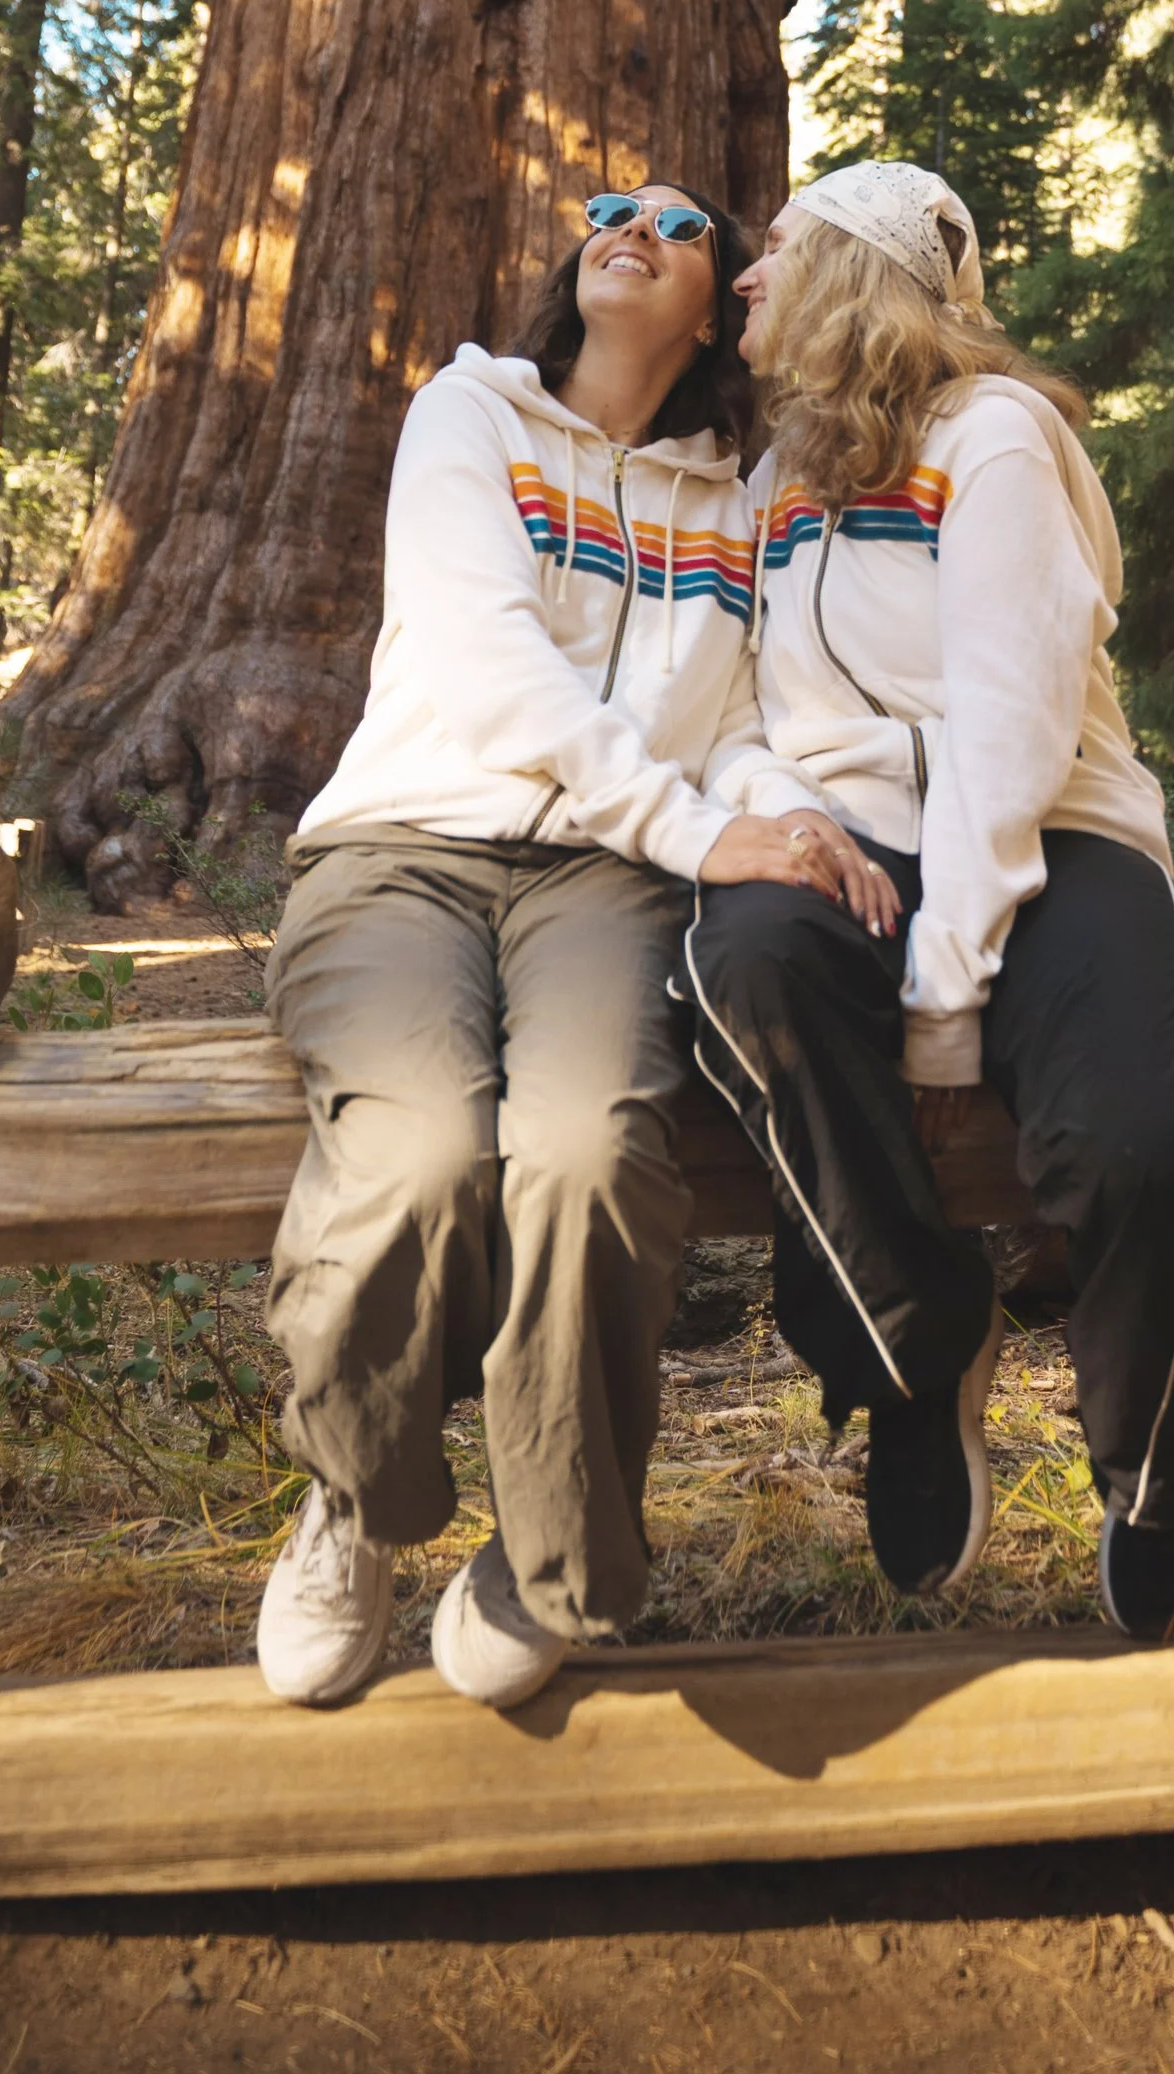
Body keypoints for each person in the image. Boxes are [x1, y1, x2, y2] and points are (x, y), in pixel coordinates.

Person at [255, 182, 872, 1714]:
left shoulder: (739, 496)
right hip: (402, 848)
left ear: (720, 294)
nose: (631, 226)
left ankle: (550, 1556)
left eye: (677, 225)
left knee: (592, 1150)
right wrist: (695, 828)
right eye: (609, 210)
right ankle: (352, 1500)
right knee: (416, 1152)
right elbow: (483, 663)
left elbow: (738, 728)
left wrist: (790, 823)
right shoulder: (471, 417)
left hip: (603, 884)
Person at [686, 159, 1174, 1641]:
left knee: (1148, 1133)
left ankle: (1153, 1437)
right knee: (745, 972)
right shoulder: (772, 478)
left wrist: (947, 999)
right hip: (851, 836)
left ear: (856, 272)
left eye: (777, 249)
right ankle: (915, 1358)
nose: (743, 278)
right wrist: (787, 813)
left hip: (1051, 833)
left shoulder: (996, 438)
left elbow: (1014, 729)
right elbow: (729, 707)